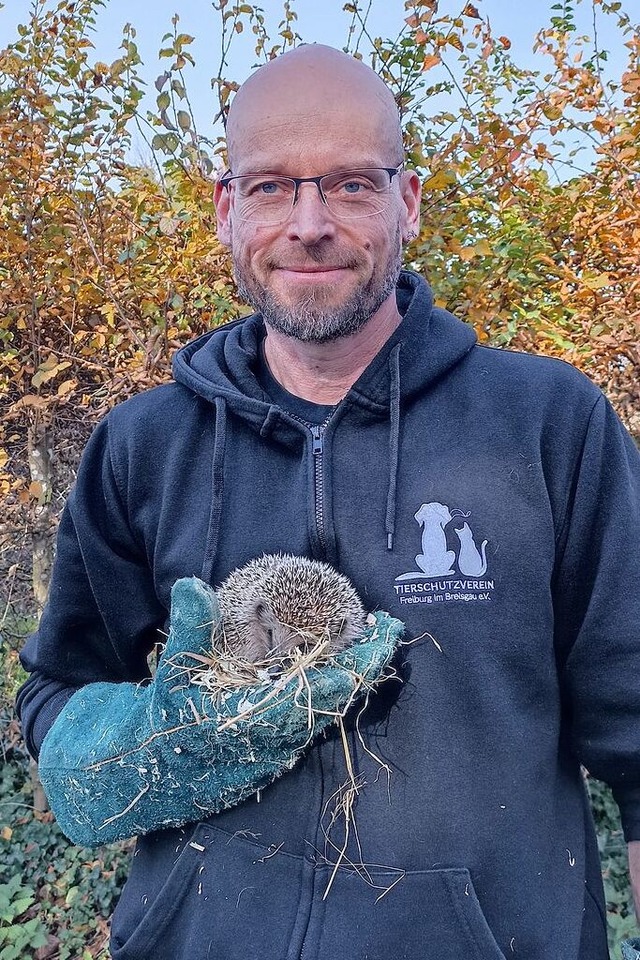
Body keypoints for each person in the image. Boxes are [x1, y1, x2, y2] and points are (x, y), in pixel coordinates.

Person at [17, 43, 640, 960]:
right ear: (228, 211)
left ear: (408, 203)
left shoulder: (550, 425)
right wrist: (132, 747)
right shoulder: (140, 446)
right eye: (271, 186)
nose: (309, 223)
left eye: (351, 184)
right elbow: (57, 689)